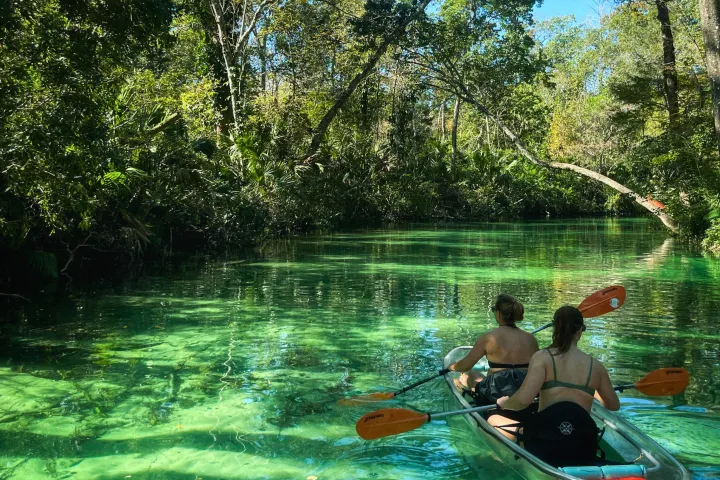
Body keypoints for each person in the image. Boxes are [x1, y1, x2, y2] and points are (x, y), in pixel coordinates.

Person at [495, 305, 621, 468]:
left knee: (493, 420)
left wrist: (504, 402)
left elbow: (523, 401)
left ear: (555, 328)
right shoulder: (596, 366)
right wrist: (591, 391)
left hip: (546, 443)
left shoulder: (543, 357)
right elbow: (614, 405)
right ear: (580, 331)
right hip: (582, 445)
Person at [449, 294, 539, 423]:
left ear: (498, 314)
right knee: (475, 376)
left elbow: (465, 366)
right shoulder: (531, 339)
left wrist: (451, 366)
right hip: (525, 390)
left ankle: (464, 386)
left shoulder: (488, 338)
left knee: (469, 375)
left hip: (497, 391)